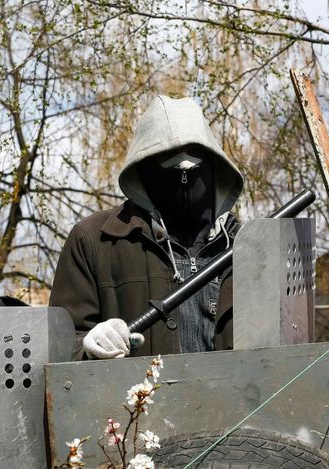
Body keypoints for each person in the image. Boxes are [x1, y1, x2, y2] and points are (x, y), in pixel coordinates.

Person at [50, 95, 244, 359]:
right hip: (135, 400)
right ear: (142, 171)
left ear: (215, 167)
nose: (183, 172)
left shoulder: (247, 247)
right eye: (167, 163)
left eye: (194, 160)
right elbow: (59, 346)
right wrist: (87, 346)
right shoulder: (95, 242)